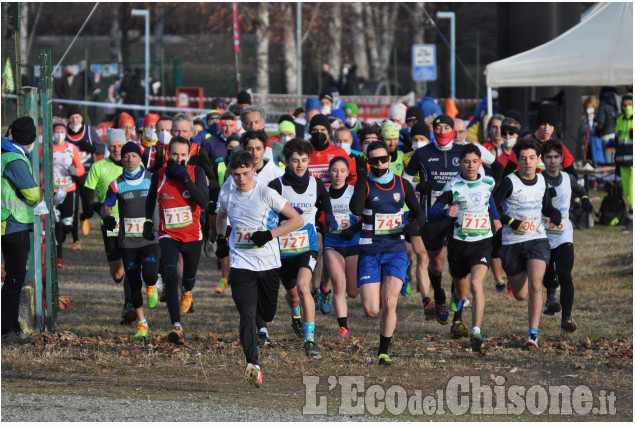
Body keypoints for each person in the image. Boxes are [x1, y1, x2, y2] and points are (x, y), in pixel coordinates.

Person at [216, 151, 303, 388]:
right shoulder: (228, 195)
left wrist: (269, 234)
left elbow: (297, 220)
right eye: (236, 175)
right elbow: (221, 216)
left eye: (245, 173)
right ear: (231, 174)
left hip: (268, 264)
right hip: (241, 264)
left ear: (254, 170)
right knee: (246, 312)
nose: (241, 179)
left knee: (267, 312)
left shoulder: (266, 193)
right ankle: (253, 364)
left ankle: (261, 321)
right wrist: (221, 238)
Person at [349, 141, 425, 365]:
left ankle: (383, 352)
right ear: (369, 163)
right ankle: (382, 316)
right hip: (370, 251)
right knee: (372, 309)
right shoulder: (364, 184)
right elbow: (355, 209)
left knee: (390, 303)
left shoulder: (402, 185)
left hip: (395, 249)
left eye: (383, 159)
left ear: (390, 159)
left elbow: (419, 214)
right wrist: (362, 178)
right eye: (374, 161)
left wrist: (413, 225)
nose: (380, 164)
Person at [427, 144, 501, 352]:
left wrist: (495, 218)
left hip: (482, 243)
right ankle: (458, 298)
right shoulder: (452, 186)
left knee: (477, 284)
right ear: (460, 163)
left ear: (480, 163)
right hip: (459, 245)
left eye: (475, 162)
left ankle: (476, 330)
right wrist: (445, 212)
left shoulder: (488, 182)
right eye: (467, 162)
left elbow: (490, 202)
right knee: (462, 291)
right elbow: (432, 213)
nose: (471, 166)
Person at [267, 138, 337, 358]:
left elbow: (326, 207)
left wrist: (329, 219)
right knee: (293, 296)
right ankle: (295, 314)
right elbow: (266, 213)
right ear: (286, 162)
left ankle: (310, 341)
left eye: (304, 160)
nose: (300, 165)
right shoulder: (277, 186)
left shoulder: (316, 185)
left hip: (307, 246)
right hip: (283, 248)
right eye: (295, 161)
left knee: (304, 287)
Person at [492, 138, 561, 349]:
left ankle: (533, 334)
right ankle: (519, 291)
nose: (528, 162)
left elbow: (546, 206)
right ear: (518, 160)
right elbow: (493, 208)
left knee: (535, 285)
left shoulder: (543, 181)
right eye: (523, 159)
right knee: (521, 295)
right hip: (512, 241)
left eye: (532, 158)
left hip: (537, 238)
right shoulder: (509, 181)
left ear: (538, 159)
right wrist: (510, 221)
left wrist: (554, 213)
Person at [144, 136, 208, 345]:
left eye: (183, 155)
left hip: (192, 236)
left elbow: (204, 202)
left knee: (188, 279)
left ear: (189, 156)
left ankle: (187, 291)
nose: (179, 158)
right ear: (167, 155)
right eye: (174, 154)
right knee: (170, 274)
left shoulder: (196, 172)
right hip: (168, 235)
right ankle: (176, 326)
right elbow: (151, 197)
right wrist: (146, 221)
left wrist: (185, 179)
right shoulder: (158, 175)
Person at [403, 115, 463, 324]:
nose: (443, 130)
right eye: (439, 127)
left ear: (453, 130)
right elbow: (404, 181)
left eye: (447, 127)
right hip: (432, 216)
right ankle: (438, 296)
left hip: (459, 216)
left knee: (458, 262)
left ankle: (458, 313)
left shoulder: (462, 152)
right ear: (433, 130)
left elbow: (478, 176)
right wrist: (418, 187)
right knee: (436, 266)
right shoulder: (422, 153)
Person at [213, 130, 284, 296]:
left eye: (258, 148)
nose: (254, 153)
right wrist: (223, 235)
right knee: (246, 287)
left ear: (265, 149)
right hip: (242, 240)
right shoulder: (234, 177)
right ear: (244, 149)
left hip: (271, 238)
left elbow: (288, 207)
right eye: (250, 149)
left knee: (278, 292)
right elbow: (223, 204)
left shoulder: (278, 174)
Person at [101, 142, 160, 338]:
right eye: (126, 156)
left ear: (140, 157)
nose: (130, 159)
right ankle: (142, 323)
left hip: (149, 238)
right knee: (133, 283)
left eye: (134, 156)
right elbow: (106, 206)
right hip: (127, 241)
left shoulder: (152, 179)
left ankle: (152, 285)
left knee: (150, 275)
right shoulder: (116, 183)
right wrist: (107, 217)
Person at [540, 140, 594, 333]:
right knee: (546, 275)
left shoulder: (568, 178)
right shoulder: (538, 180)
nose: (553, 161)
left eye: (556, 157)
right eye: (549, 157)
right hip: (542, 234)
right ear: (543, 159)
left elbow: (580, 189)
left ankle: (566, 320)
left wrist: (585, 200)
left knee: (565, 275)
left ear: (562, 159)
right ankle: (551, 297)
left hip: (563, 233)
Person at [306, 114, 357, 314]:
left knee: (329, 250)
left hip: (336, 210)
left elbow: (350, 179)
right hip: (312, 209)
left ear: (329, 133)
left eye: (323, 131)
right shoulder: (306, 152)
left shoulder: (338, 153)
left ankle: (326, 288)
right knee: (318, 247)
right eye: (315, 131)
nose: (319, 134)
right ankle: (316, 289)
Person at [85, 128, 136, 323]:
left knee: (130, 264)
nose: (116, 150)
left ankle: (129, 305)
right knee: (117, 273)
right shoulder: (98, 167)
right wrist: (97, 209)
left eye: (120, 146)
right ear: (108, 147)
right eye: (113, 146)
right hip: (109, 222)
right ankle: (122, 282)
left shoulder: (132, 165)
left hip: (131, 222)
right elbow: (88, 197)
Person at [1, 117, 43, 344]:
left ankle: (10, 327)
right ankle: (8, 330)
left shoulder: (4, 153)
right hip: (12, 222)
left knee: (12, 278)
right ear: (31, 140)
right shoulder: (15, 159)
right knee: (15, 278)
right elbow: (33, 195)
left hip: (7, 222)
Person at [324, 156, 361, 338]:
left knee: (353, 292)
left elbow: (365, 217)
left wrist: (354, 228)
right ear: (329, 172)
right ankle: (344, 328)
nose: (338, 174)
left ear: (348, 174)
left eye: (342, 171)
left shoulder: (355, 191)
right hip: (332, 243)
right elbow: (316, 216)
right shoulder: (323, 193)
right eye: (334, 170)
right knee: (339, 285)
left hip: (353, 243)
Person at [65, 106, 105, 248]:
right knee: (73, 208)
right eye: (71, 117)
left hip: (87, 174)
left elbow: (102, 148)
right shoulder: (64, 133)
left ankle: (84, 217)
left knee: (89, 207)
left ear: (81, 118)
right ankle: (76, 239)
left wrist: (91, 148)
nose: (74, 120)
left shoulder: (89, 131)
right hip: (70, 174)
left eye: (77, 117)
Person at [504, 103, 576, 177]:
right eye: (543, 124)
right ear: (538, 124)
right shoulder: (523, 144)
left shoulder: (558, 146)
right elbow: (507, 173)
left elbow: (572, 174)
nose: (546, 129)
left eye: (551, 125)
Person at [52, 121, 85, 268]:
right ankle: (59, 257)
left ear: (65, 134)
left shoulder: (72, 148)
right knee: (56, 224)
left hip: (68, 190)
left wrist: (75, 172)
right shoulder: (47, 148)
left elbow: (81, 169)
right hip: (52, 191)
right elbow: (39, 165)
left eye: (61, 132)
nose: (59, 134)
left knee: (66, 225)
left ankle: (62, 237)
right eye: (56, 132)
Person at [615, 94, 633, 232]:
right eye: (625, 105)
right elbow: (617, 141)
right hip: (622, 161)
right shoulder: (620, 120)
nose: (627, 108)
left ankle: (631, 219)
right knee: (627, 192)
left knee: (632, 191)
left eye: (630, 105)